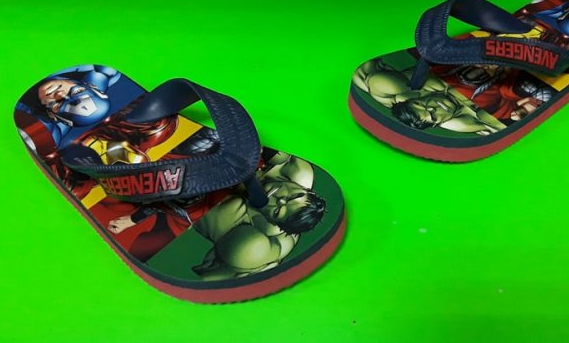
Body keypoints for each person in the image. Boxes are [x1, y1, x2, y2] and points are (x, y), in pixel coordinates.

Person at [190, 152, 327, 280]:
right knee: (280, 156)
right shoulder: (297, 171)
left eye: (277, 211)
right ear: (304, 190)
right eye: (293, 196)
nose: (280, 199)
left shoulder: (250, 229)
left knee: (249, 246)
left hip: (253, 245)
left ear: (270, 219)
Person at [352, 58, 505, 134]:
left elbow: (362, 72)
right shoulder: (463, 122)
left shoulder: (400, 91)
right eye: (433, 115)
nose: (434, 108)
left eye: (422, 105)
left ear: (416, 98)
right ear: (436, 123)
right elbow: (498, 128)